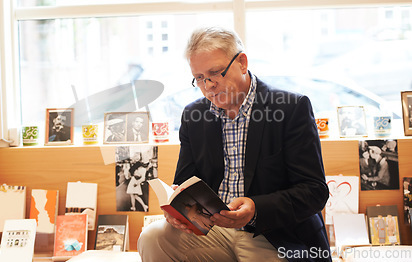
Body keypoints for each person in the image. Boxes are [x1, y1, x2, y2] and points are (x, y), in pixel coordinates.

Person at [138, 27, 330, 261]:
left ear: (242, 62)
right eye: (199, 78)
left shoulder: (290, 108)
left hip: (276, 235)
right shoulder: (194, 115)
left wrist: (255, 209)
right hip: (213, 232)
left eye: (216, 73)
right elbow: (184, 183)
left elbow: (314, 191)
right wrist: (178, 213)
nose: (208, 86)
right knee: (152, 237)